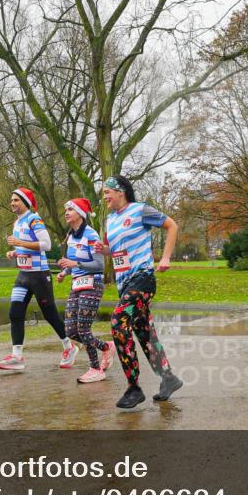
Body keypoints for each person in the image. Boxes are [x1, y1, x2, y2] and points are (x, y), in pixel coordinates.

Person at [94, 175, 183, 409]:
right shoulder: (111, 220)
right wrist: (105, 250)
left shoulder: (140, 210)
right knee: (144, 334)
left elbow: (171, 225)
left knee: (118, 323)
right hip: (125, 283)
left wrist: (165, 257)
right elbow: (118, 251)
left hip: (142, 279)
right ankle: (168, 378)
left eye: (107, 192)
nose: (104, 197)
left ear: (120, 191)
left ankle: (133, 388)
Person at [0, 187, 77, 372]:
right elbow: (25, 247)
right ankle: (17, 357)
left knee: (50, 314)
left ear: (25, 202)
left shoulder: (34, 219)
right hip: (23, 275)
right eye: (12, 199)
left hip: (39, 275)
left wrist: (19, 244)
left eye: (16, 200)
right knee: (15, 313)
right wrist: (14, 252)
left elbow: (46, 244)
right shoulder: (17, 223)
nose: (12, 203)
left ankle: (69, 347)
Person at [56, 197, 114, 383]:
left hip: (93, 283)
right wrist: (65, 271)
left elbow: (98, 263)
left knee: (83, 329)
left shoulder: (91, 235)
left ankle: (96, 369)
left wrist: (75, 263)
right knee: (71, 330)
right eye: (66, 210)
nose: (66, 213)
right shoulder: (71, 236)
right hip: (76, 283)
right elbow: (74, 263)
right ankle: (106, 347)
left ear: (80, 214)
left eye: (70, 210)